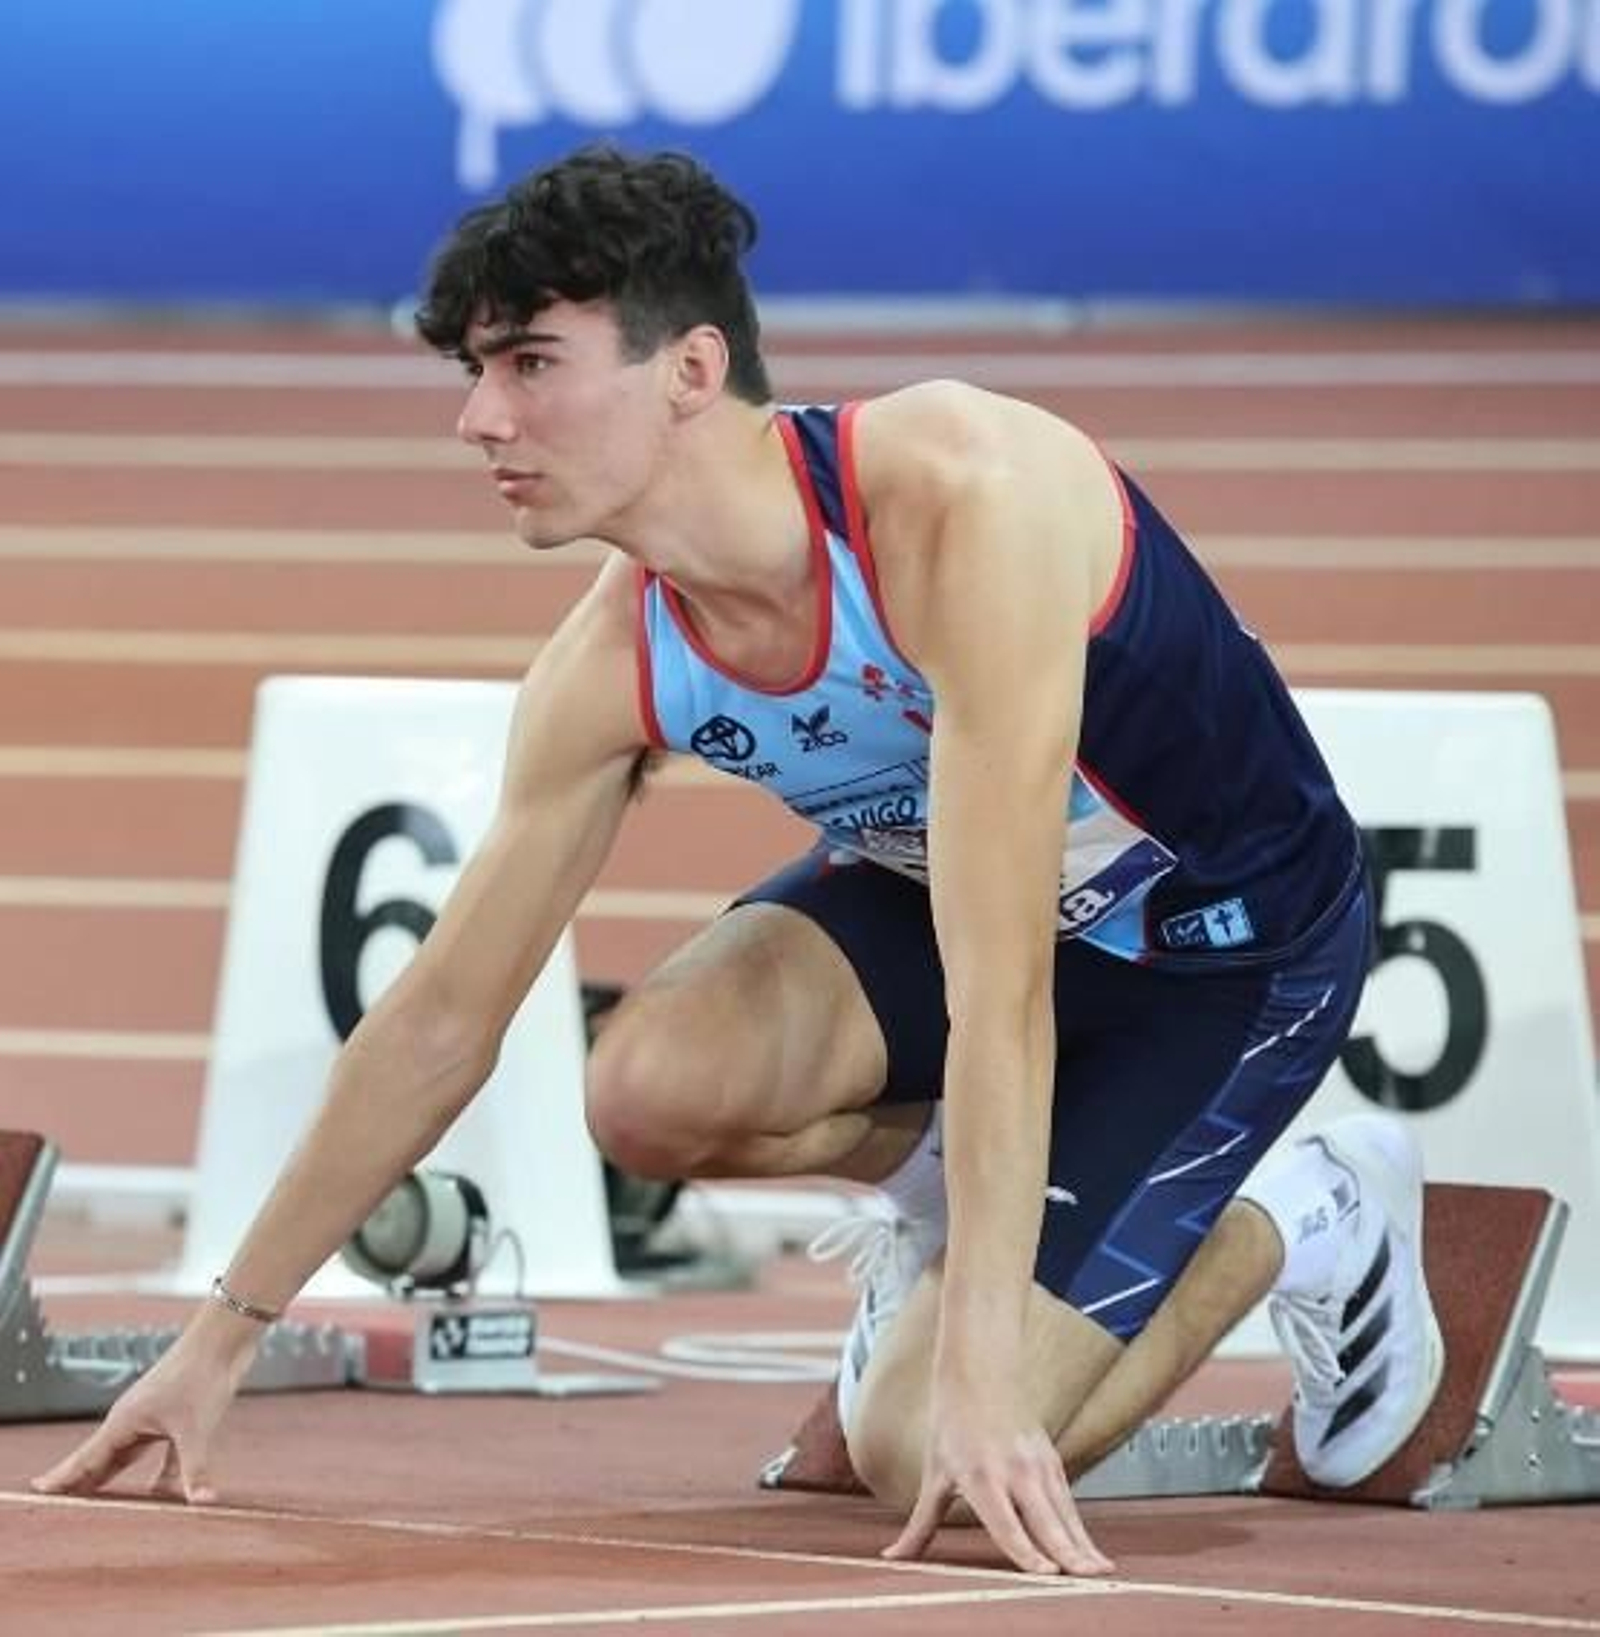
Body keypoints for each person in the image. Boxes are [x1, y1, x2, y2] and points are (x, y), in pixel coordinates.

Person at [33, 145, 1443, 1574]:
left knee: (926, 1449)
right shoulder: (613, 658)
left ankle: (1314, 1208)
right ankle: (968, 1205)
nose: (478, 418)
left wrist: (978, 1369)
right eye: (475, 370)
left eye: (530, 364)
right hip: (956, 918)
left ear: (691, 370)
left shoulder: (962, 502)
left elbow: (1003, 989)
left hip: (1226, 958)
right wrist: (217, 1341)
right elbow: (441, 1019)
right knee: (644, 1087)